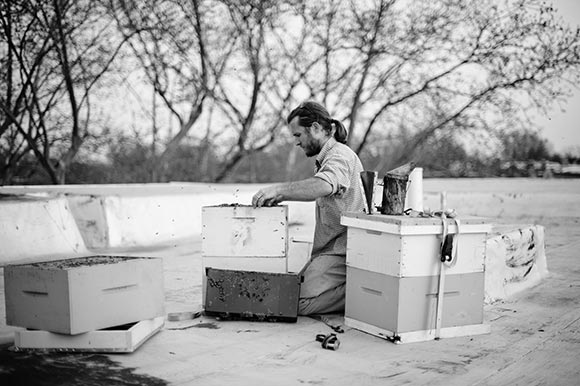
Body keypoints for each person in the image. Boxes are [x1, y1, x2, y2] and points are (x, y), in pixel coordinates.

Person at [252, 101, 365, 315]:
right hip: (330, 251)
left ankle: (363, 290)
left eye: (297, 135)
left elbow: (324, 184)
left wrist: (278, 191)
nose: (296, 142)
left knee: (296, 303)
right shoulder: (327, 157)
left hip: (342, 252)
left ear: (315, 128)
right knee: (290, 291)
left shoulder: (339, 155)